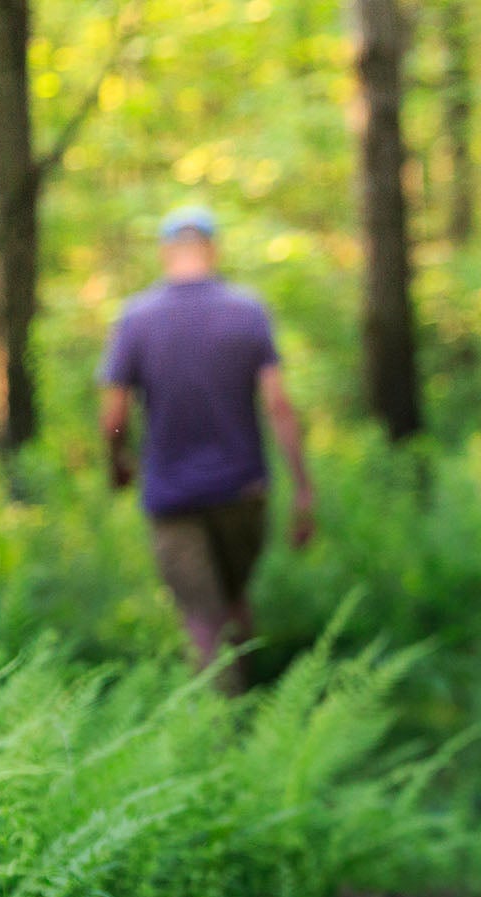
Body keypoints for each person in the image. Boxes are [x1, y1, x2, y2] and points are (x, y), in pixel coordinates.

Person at [98, 206, 315, 693]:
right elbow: (279, 406)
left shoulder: (136, 318)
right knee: (236, 600)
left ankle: (221, 740)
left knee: (200, 619)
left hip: (173, 496)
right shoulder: (247, 310)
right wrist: (302, 488)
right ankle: (254, 711)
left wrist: (117, 462)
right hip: (244, 490)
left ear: (165, 252)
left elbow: (113, 417)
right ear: (212, 250)